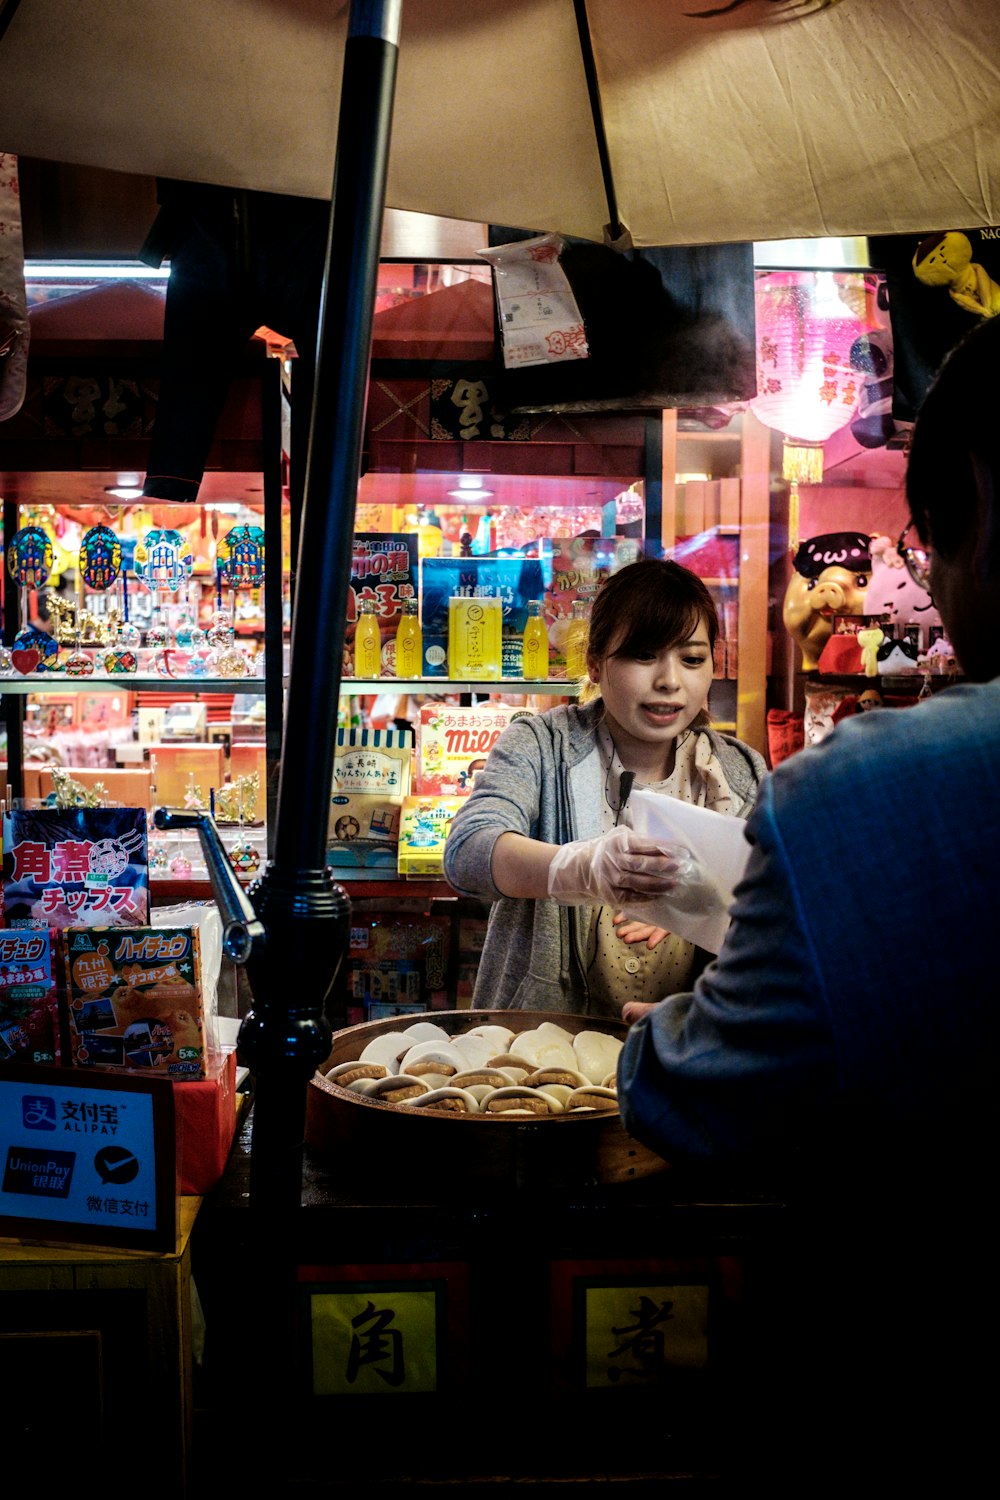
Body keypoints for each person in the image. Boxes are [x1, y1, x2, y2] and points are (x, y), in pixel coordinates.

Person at [617, 317, 1000, 1489]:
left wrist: (664, 1036)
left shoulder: (858, 793)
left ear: (974, 506)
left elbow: (697, 1099)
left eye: (925, 542)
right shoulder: (543, 746)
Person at [443, 557, 766, 1016]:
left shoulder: (740, 773)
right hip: (538, 1052)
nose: (670, 681)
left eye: (692, 659)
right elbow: (468, 854)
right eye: (643, 655)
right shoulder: (541, 745)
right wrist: (580, 869)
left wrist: (706, 915)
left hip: (685, 1054)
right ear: (595, 664)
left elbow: (782, 917)